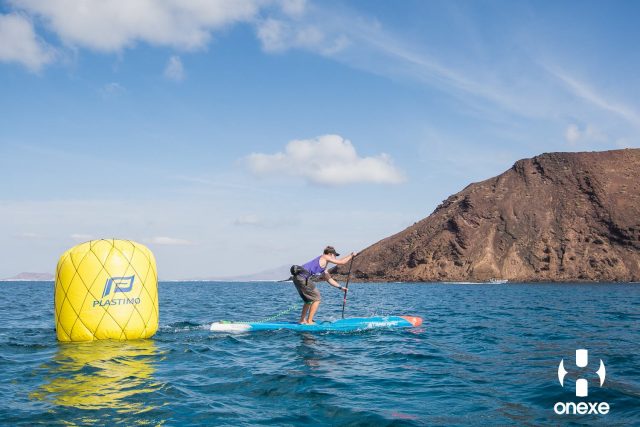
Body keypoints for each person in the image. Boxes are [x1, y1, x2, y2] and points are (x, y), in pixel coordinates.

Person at [291, 246, 357, 324]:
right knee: (317, 298)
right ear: (330, 254)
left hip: (297, 278)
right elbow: (341, 262)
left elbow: (329, 279)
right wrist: (351, 255)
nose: (335, 257)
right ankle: (309, 321)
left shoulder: (323, 267)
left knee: (308, 300)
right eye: (334, 255)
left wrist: (340, 287)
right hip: (303, 279)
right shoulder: (325, 257)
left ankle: (302, 320)